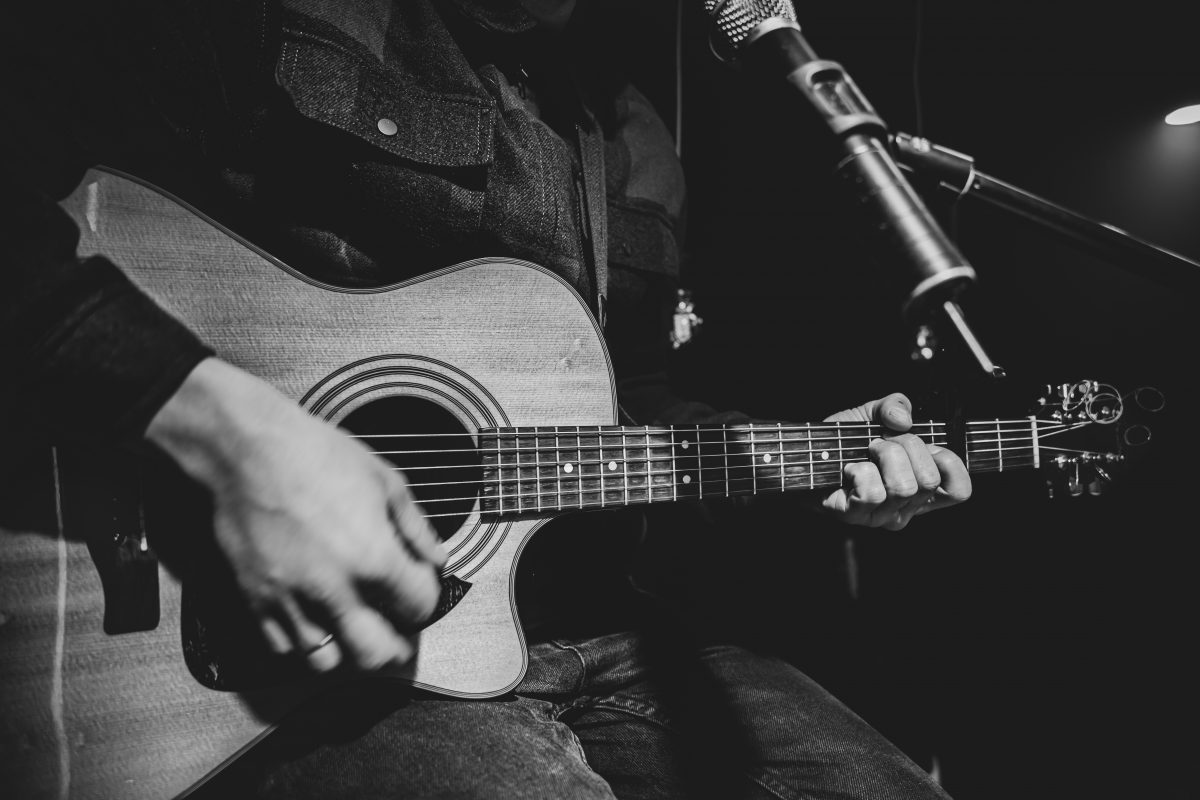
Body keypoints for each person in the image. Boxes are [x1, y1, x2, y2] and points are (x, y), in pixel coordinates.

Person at [1, 0, 971, 797]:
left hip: (591, 621)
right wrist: (223, 428)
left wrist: (803, 455)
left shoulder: (630, 133)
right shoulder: (248, 18)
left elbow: (625, 401)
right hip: (304, 654)